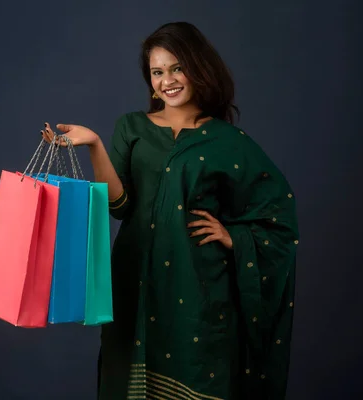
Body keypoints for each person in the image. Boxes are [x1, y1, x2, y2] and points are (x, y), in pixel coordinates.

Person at [43, 21, 299, 400]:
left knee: (196, 376)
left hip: (197, 286)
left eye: (177, 68)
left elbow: (279, 216)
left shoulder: (228, 142)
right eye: (157, 72)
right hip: (134, 281)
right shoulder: (132, 127)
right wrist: (94, 144)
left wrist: (236, 236)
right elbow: (120, 206)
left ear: (199, 67)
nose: (168, 80)